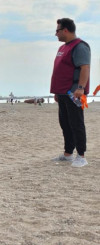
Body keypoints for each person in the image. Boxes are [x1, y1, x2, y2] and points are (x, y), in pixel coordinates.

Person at [50, 18, 90, 167]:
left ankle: (81, 156)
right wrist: (56, 91)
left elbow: (85, 68)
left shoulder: (80, 46)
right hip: (62, 92)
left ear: (65, 30)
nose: (56, 34)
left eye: (57, 30)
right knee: (65, 123)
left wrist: (80, 88)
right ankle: (68, 154)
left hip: (74, 92)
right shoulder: (62, 48)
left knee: (76, 123)